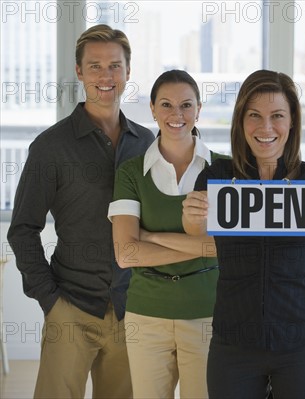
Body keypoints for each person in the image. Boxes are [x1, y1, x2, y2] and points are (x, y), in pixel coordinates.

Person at [7, 24, 155, 398]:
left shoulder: (147, 143)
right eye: (95, 66)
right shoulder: (50, 147)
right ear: (79, 72)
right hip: (70, 307)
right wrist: (50, 300)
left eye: (115, 66)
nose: (106, 76)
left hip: (131, 308)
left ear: (128, 71)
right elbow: (23, 228)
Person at [182, 69, 305, 398]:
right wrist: (191, 213)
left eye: (277, 116)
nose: (266, 127)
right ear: (241, 120)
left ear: (292, 122)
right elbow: (193, 227)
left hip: (301, 341)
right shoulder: (219, 176)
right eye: (254, 115)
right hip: (234, 342)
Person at [109, 70, 225, 398]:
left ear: (199, 110)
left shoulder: (225, 171)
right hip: (147, 315)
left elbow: (232, 247)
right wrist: (205, 247)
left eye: (186, 105)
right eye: (167, 105)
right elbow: (126, 254)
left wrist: (152, 237)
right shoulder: (131, 173)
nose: (177, 115)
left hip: (208, 314)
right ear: (153, 109)